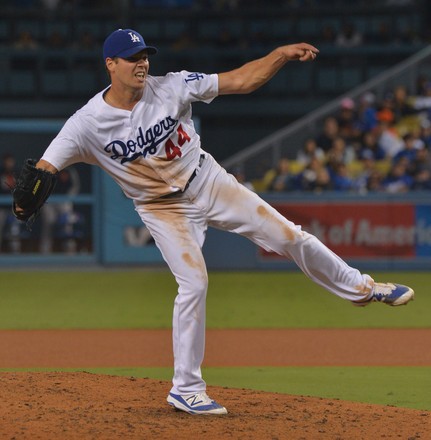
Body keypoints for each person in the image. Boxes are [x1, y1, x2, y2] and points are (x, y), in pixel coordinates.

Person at [12, 28, 415, 416]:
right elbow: (46, 168)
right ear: (110, 64)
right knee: (194, 283)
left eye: (145, 55)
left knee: (290, 235)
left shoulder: (172, 85)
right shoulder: (86, 123)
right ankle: (186, 390)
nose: (142, 63)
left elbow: (241, 80)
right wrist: (25, 200)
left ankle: (362, 289)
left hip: (208, 180)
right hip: (160, 208)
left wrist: (278, 55)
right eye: (133, 58)